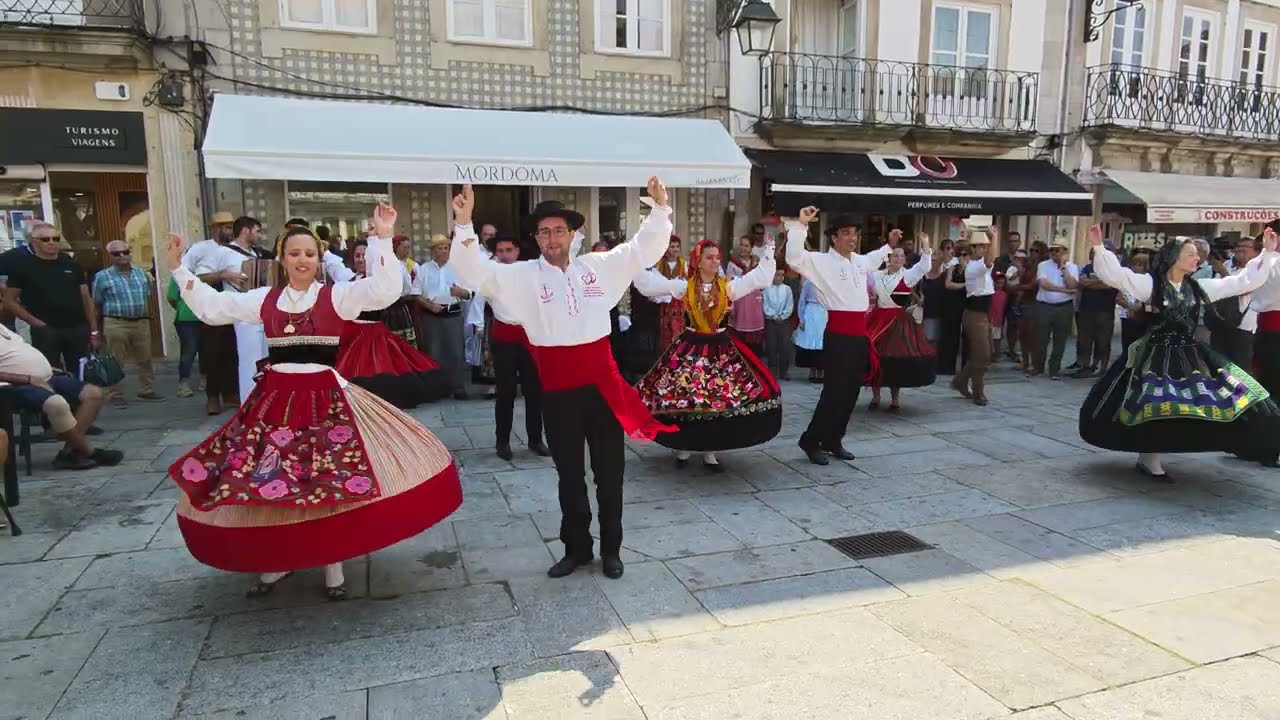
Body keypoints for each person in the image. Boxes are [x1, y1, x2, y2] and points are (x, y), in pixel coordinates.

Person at [165, 203, 463, 599]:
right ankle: (277, 560)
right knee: (271, 480)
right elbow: (212, 307)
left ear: (319, 258)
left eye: (309, 253)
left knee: (327, 481)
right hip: (275, 404)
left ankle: (332, 563)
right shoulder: (264, 300)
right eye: (294, 253)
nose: (302, 260)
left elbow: (385, 289)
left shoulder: (336, 296)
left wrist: (384, 236)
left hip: (325, 402)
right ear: (282, 259)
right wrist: (177, 268)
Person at [448, 180, 676, 581]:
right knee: (569, 474)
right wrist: (464, 224)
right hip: (556, 391)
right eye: (544, 232)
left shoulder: (597, 266)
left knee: (610, 473)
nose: (552, 238)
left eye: (559, 230)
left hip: (602, 387)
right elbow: (474, 272)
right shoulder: (521, 277)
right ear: (535, 238)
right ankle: (576, 548)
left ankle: (611, 550)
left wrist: (659, 209)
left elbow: (642, 249)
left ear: (572, 234)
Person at [1079, 225, 1280, 478]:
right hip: (1155, 355)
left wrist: (1268, 254)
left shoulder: (1200, 287)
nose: (1197, 258)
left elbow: (1240, 282)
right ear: (1174, 257)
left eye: (1196, 254)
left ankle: (1176, 448)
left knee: (1202, 400)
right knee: (1154, 404)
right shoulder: (1151, 285)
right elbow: (1117, 276)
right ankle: (1149, 457)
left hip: (1189, 354)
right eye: (1191, 254)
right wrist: (1099, 248)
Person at [633, 237, 781, 471]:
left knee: (715, 401)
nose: (715, 261)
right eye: (709, 258)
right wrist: (636, 257)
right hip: (690, 347)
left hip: (719, 348)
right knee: (687, 398)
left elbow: (759, 278)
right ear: (698, 261)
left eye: (717, 257)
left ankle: (710, 451)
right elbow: (648, 284)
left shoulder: (728, 286)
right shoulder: (684, 286)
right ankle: (684, 446)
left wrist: (769, 251)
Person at [784, 208, 893, 465]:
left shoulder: (858, 262)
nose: (851, 238)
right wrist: (801, 225)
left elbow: (874, 258)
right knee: (833, 393)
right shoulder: (822, 262)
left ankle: (834, 439)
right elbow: (794, 258)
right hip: (838, 335)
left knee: (851, 393)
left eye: (854, 234)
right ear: (834, 237)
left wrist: (890, 245)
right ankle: (811, 440)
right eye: (845, 234)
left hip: (859, 336)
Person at [334, 240, 450, 408]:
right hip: (350, 332)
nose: (360, 259)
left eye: (364, 256)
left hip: (372, 331)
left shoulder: (378, 284)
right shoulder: (347, 281)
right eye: (357, 256)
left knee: (379, 366)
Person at [0, 321, 123, 470]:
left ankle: (69, 453)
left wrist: (46, 368)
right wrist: (28, 379)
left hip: (47, 377)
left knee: (93, 394)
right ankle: (90, 451)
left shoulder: (3, 328)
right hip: (16, 386)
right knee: (56, 404)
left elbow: (15, 354)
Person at [4, 222, 101, 372]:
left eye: (55, 239)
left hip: (77, 328)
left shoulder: (71, 264)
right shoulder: (21, 266)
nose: (51, 243)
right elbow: (10, 301)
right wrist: (35, 322)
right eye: (45, 239)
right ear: (33, 241)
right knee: (49, 372)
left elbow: (86, 298)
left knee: (81, 372)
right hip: (46, 330)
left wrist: (94, 330)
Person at [486, 234, 550, 461]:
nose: (504, 255)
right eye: (500, 251)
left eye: (508, 250)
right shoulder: (491, 274)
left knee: (534, 391)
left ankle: (535, 439)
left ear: (517, 251)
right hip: (504, 338)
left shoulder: (530, 272)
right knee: (506, 392)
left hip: (530, 338)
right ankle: (502, 441)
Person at [92, 239, 163, 406]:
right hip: (116, 322)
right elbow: (96, 301)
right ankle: (115, 394)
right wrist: (95, 330)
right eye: (117, 254)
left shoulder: (142, 274)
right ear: (110, 256)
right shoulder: (102, 277)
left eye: (125, 252)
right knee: (116, 360)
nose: (122, 256)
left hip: (140, 322)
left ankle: (146, 390)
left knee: (145, 357)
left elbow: (147, 294)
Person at [867, 239, 934, 411]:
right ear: (888, 258)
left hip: (898, 322)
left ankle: (895, 398)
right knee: (875, 356)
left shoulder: (907, 275)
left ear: (905, 260)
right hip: (878, 319)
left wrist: (926, 245)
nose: (898, 259)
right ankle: (875, 395)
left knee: (896, 359)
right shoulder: (876, 275)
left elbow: (924, 267)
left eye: (902, 256)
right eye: (895, 256)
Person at [951, 229, 998, 406]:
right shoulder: (972, 268)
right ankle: (978, 391)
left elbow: (989, 261)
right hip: (975, 314)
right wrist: (994, 238)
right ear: (974, 249)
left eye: (987, 246)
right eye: (982, 246)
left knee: (984, 355)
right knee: (982, 355)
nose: (986, 249)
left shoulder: (978, 266)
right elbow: (989, 261)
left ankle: (961, 381)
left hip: (984, 314)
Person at [1035, 239, 1079, 380]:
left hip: (1064, 307)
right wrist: (1063, 289)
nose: (1054, 253)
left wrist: (1063, 267)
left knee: (1060, 340)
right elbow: (1044, 284)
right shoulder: (1043, 265)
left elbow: (1072, 285)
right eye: (1052, 250)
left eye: (1057, 250)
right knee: (1041, 338)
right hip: (1045, 306)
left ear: (1064, 251)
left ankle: (1054, 369)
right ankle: (1038, 368)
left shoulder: (1072, 267)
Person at [167, 275, 201, 398]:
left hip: (208, 317)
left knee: (207, 349)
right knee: (189, 350)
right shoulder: (179, 274)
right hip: (187, 319)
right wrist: (183, 308)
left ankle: (205, 378)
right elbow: (171, 297)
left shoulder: (211, 271)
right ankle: (184, 382)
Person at [763, 267, 795, 380]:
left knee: (785, 346)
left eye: (782, 275)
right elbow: (765, 305)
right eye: (777, 275)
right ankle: (772, 370)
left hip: (784, 321)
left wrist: (783, 316)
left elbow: (790, 304)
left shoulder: (787, 289)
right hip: (771, 321)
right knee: (771, 346)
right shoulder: (767, 289)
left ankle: (784, 371)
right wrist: (774, 316)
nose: (780, 277)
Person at [793, 277, 827, 383]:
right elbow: (802, 301)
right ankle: (812, 371)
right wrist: (802, 319)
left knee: (822, 343)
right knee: (810, 343)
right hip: (811, 312)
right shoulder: (808, 283)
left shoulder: (828, 281)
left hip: (824, 313)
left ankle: (821, 371)